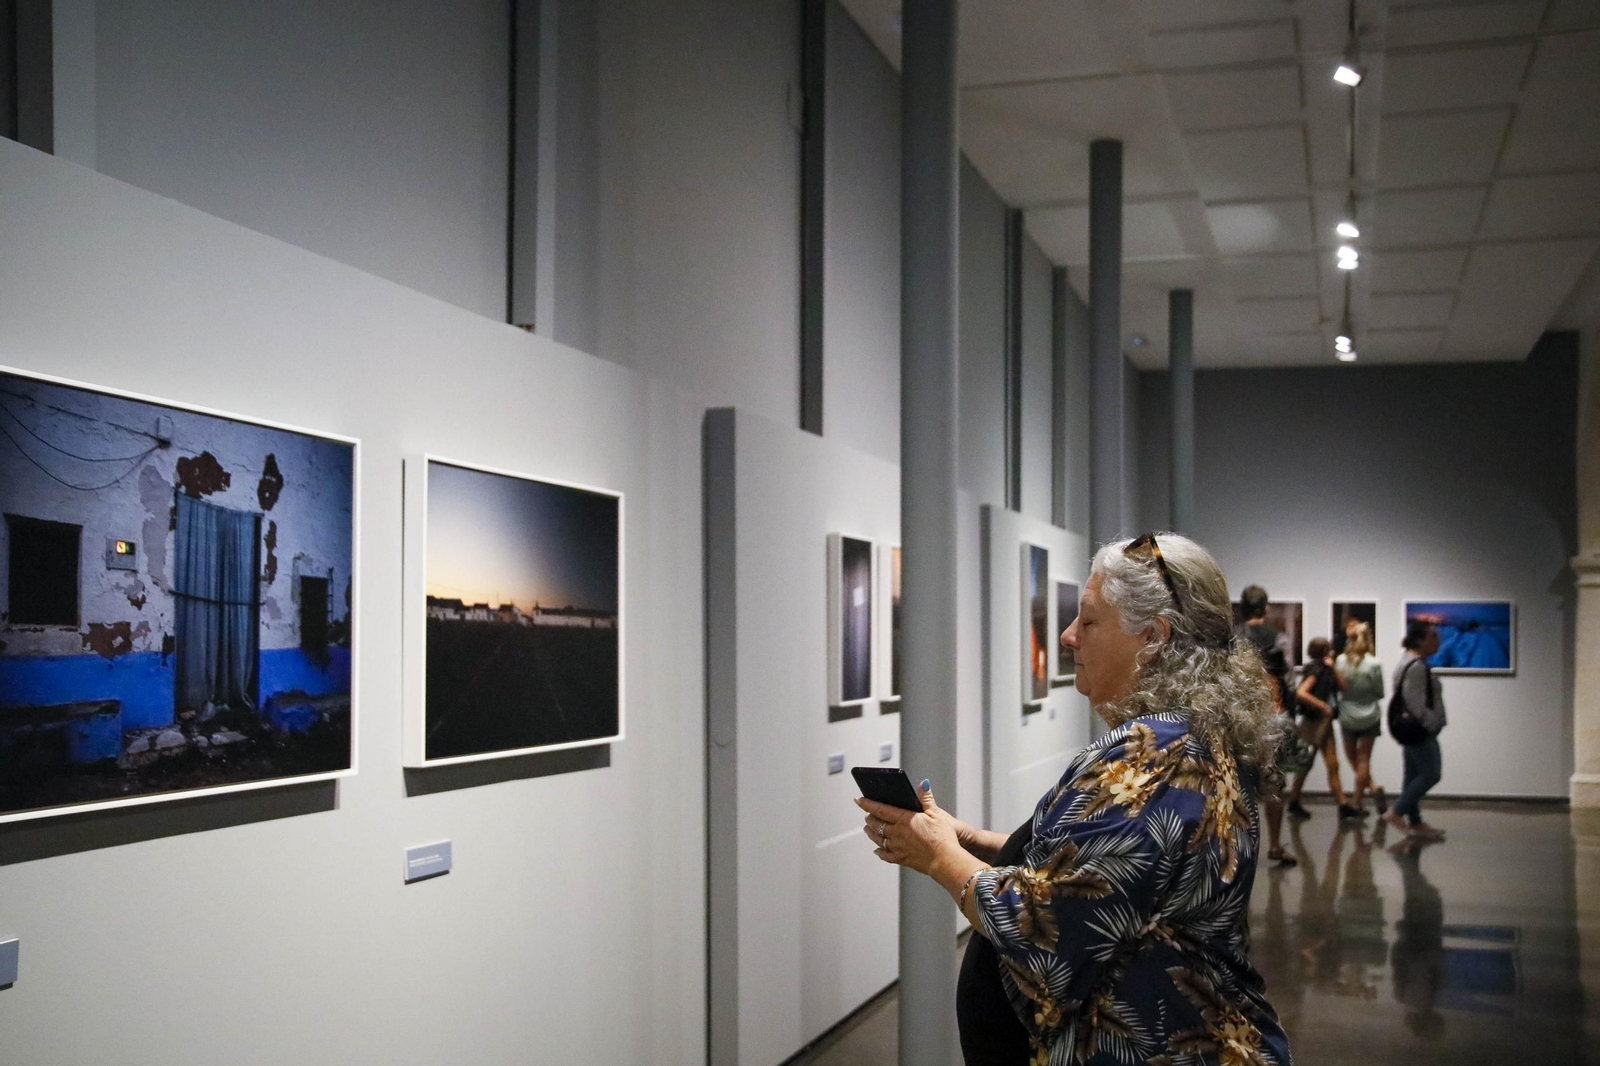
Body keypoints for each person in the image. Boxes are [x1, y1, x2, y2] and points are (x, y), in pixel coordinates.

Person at [856, 533, 1292, 1066]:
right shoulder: (1193, 739)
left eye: (1088, 621)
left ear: (1153, 638)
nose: (1067, 636)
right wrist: (971, 841)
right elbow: (1110, 878)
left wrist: (939, 857)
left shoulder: (1154, 756)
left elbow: (1049, 932)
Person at [1235, 585, 1298, 867]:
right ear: (1266, 608)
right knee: (1274, 785)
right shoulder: (1279, 638)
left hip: (1241, 715)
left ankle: (1240, 848)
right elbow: (1290, 678)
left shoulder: (1234, 638)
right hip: (1274, 713)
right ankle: (1273, 844)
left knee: (1239, 783)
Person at [1383, 621, 1447, 839]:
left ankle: (1416, 821)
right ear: (1420, 639)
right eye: (1434, 636)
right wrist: (1433, 724)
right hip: (1419, 730)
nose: (1438, 641)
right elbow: (1415, 704)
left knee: (1412, 776)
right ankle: (1397, 811)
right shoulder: (1416, 667)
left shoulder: (1409, 662)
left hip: (1410, 729)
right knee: (1431, 774)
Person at [1286, 637, 1358, 821]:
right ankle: (1294, 800)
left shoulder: (1326, 669)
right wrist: (1322, 705)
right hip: (1313, 723)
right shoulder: (1316, 670)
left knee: (1332, 764)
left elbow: (1343, 686)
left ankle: (1342, 804)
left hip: (1324, 723)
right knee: (1305, 764)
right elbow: (1302, 692)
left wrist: (1333, 668)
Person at [1335, 623, 1387, 816]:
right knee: (1364, 759)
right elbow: (1380, 692)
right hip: (1370, 716)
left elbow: (1340, 687)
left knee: (1352, 758)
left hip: (1347, 715)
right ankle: (1359, 800)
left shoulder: (1340, 661)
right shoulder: (1374, 663)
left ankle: (1371, 789)